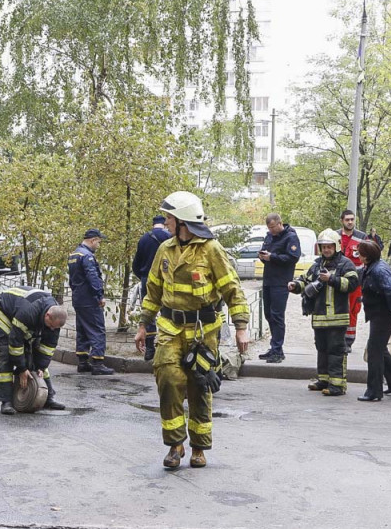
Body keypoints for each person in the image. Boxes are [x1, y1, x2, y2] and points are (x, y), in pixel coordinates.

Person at [134, 191, 249, 469]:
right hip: (170, 329)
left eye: (170, 217)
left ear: (183, 221)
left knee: (200, 386)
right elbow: (153, 290)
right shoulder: (165, 249)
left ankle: (199, 447)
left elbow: (232, 289)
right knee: (169, 380)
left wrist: (241, 326)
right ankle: (175, 445)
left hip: (203, 332)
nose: (166, 222)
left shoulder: (211, 250)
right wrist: (142, 324)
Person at [288, 229, 359, 396]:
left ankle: (337, 385)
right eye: (323, 247)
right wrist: (294, 285)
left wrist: (332, 279)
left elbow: (353, 283)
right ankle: (324, 380)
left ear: (336, 247)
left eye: (329, 246)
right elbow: (304, 280)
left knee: (336, 351)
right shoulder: (317, 265)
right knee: (322, 349)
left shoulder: (345, 264)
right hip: (319, 318)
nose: (326, 250)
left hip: (337, 318)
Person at [0, 286, 69, 414]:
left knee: (36, 357)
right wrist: (22, 369)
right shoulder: (28, 313)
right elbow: (16, 343)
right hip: (5, 311)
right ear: (48, 315)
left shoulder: (54, 322)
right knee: (6, 353)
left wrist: (40, 367)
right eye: (50, 326)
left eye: (54, 328)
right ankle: (6, 401)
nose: (51, 329)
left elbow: (47, 348)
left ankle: (48, 397)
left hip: (23, 314)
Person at [357, 240, 391, 401]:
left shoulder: (378, 269)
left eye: (360, 253)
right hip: (380, 313)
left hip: (383, 314)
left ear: (366, 256)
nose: (358, 256)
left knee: (374, 350)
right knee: (379, 348)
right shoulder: (374, 266)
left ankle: (374, 391)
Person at [68, 229, 114, 375]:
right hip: (89, 299)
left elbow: (72, 280)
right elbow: (92, 277)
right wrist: (99, 296)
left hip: (78, 298)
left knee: (82, 329)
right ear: (93, 240)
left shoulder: (74, 254)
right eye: (98, 242)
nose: (98, 246)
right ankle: (98, 363)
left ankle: (82, 362)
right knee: (97, 329)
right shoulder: (87, 256)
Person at [257, 213, 301, 364]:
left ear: (279, 223)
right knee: (268, 314)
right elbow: (266, 252)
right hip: (268, 279)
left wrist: (272, 257)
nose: (271, 230)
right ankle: (275, 348)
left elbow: (293, 258)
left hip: (281, 281)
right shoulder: (269, 236)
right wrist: (263, 256)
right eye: (269, 228)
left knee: (277, 315)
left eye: (273, 227)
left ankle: (277, 349)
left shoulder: (290, 237)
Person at [132, 215, 172, 361]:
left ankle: (149, 349)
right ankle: (167, 347)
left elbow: (136, 263)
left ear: (153, 224)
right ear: (164, 224)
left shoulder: (144, 239)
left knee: (149, 312)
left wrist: (143, 276)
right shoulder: (170, 237)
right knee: (167, 313)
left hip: (147, 279)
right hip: (167, 280)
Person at [337, 210, 367, 352]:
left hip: (356, 282)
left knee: (353, 310)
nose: (350, 222)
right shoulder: (335, 236)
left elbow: (368, 259)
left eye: (352, 219)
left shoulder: (361, 237)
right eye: (347, 219)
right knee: (337, 309)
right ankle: (337, 339)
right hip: (337, 281)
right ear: (342, 220)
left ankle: (348, 341)